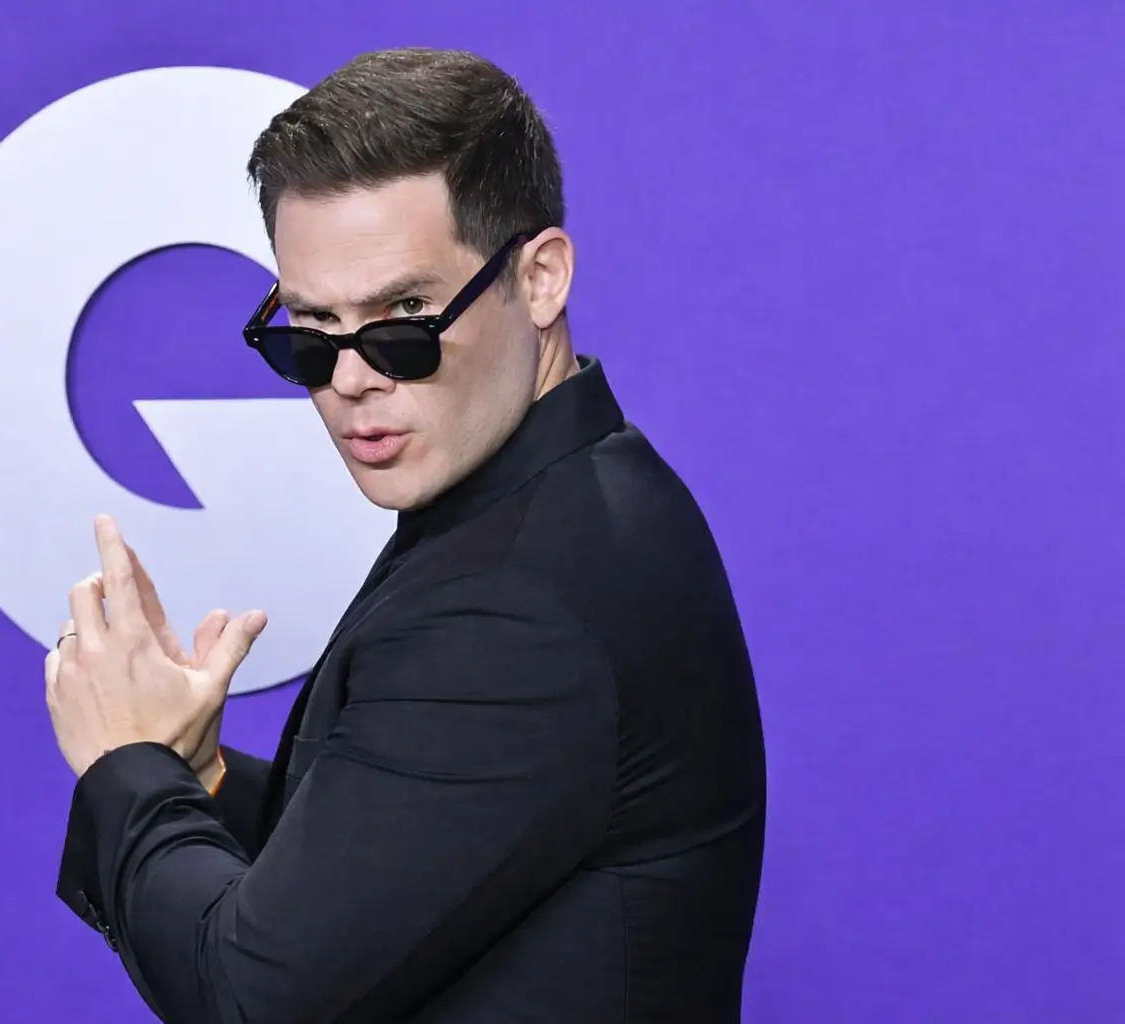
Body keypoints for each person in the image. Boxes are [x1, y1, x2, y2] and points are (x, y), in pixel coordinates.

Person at [45, 47, 767, 1023]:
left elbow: (248, 998)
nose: (349, 381)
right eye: (308, 334)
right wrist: (197, 775)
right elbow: (421, 850)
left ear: (541, 278)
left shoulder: (513, 603)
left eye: (402, 326)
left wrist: (127, 763)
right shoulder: (570, 493)